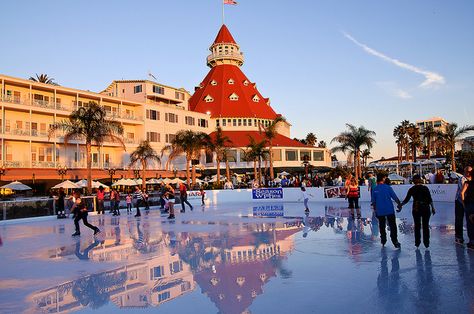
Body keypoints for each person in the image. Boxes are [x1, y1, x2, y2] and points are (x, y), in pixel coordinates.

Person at [399, 174, 436, 249]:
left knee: (417, 225)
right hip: (425, 208)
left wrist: (401, 205)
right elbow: (429, 199)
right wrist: (433, 208)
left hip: (416, 208)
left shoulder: (412, 189)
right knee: (425, 225)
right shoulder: (425, 188)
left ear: (414, 181)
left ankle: (417, 243)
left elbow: (406, 199)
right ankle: (426, 243)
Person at [371, 173, 403, 249]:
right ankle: (395, 241)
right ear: (383, 179)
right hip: (389, 210)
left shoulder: (375, 189)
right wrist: (399, 204)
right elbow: (394, 197)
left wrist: (375, 211)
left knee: (382, 226)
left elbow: (373, 202)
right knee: (393, 226)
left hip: (380, 211)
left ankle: (383, 240)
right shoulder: (388, 188)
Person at [455, 166, 472, 244]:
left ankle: (471, 238)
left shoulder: (471, 179)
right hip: (460, 201)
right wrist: (464, 203)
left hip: (468, 201)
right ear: (465, 172)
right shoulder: (462, 179)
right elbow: (464, 192)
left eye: (470, 171)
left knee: (470, 219)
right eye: (467, 171)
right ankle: (458, 236)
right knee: (459, 219)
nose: (469, 173)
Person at [461, 168, 474, 250]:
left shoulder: (467, 183)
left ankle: (472, 241)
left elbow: (462, 193)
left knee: (470, 223)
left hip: (469, 205)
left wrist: (463, 203)